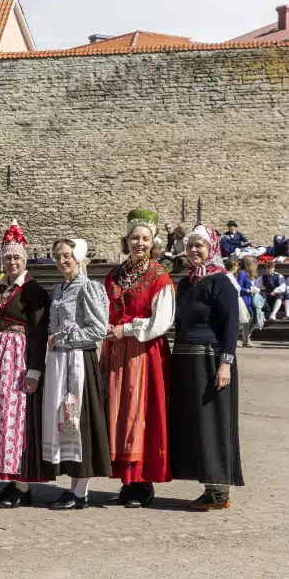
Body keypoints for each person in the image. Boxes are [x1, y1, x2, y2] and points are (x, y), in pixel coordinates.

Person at [100, 209, 175, 508]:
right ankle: (125, 479)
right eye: (134, 238)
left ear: (153, 242)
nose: (139, 243)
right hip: (117, 351)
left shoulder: (159, 276)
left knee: (139, 413)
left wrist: (126, 329)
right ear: (126, 240)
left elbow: (162, 320)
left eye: (145, 238)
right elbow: (102, 308)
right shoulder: (114, 275)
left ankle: (142, 482)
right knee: (118, 413)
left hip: (144, 353)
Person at [171, 224, 243, 510]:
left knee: (215, 423)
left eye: (200, 245)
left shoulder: (221, 282)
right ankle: (208, 484)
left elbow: (230, 326)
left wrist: (225, 364)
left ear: (211, 247)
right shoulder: (187, 283)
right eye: (191, 246)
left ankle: (219, 491)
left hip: (210, 359)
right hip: (186, 359)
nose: (194, 251)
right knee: (196, 424)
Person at [0, 222, 50, 508]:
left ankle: (22, 483)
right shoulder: (1, 286)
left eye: (16, 257)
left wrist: (34, 370)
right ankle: (8, 479)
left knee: (15, 417)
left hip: (18, 357)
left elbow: (39, 331)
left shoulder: (32, 290)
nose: (12, 262)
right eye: (8, 257)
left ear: (25, 258)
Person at [42, 237, 111, 510]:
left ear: (78, 257)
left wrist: (62, 338)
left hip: (80, 362)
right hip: (59, 363)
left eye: (67, 255)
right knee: (64, 421)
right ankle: (73, 487)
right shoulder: (58, 289)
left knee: (79, 422)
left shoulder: (89, 288)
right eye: (57, 256)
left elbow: (98, 328)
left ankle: (81, 490)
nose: (61, 261)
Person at [226, 259, 252, 344]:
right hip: (234, 299)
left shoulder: (232, 276)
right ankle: (233, 339)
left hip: (237, 299)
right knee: (237, 321)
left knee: (241, 321)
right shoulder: (228, 276)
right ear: (233, 266)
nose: (237, 268)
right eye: (236, 266)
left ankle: (241, 339)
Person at [238, 255, 264, 334]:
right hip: (245, 300)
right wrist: (248, 290)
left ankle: (246, 337)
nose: (256, 265)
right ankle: (244, 337)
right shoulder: (242, 273)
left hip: (250, 299)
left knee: (254, 320)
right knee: (248, 320)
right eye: (254, 263)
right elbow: (238, 287)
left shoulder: (247, 274)